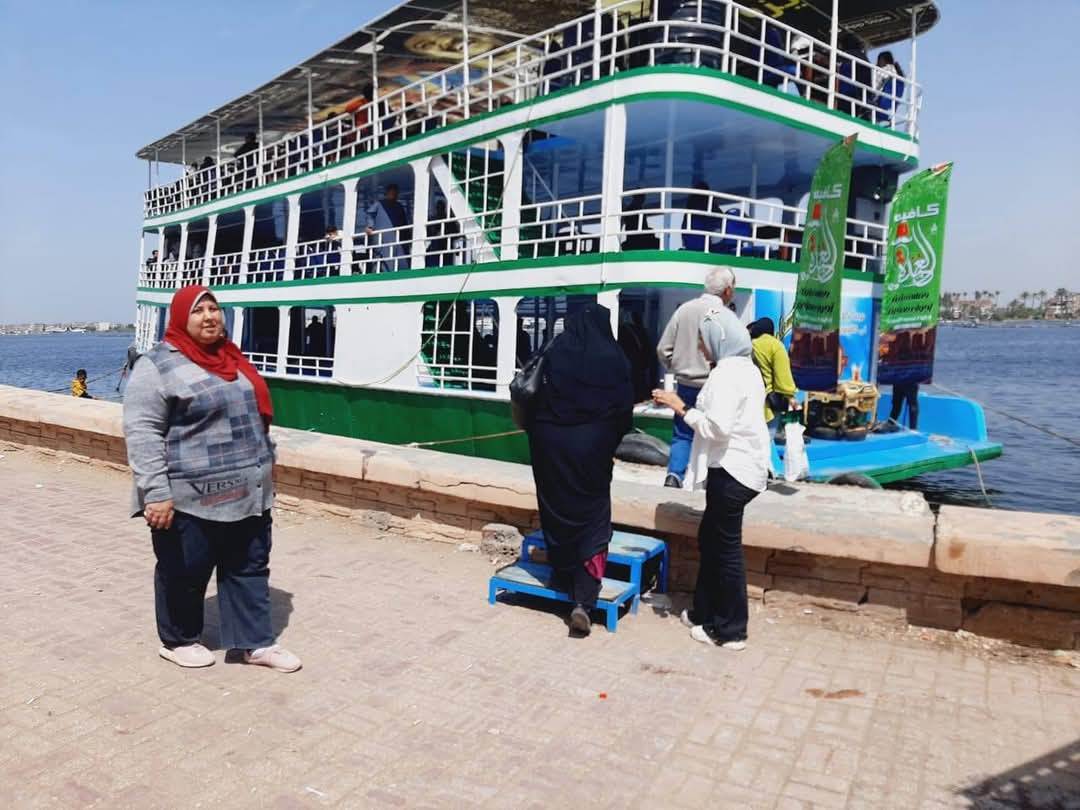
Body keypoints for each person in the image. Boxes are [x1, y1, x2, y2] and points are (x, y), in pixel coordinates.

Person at [123, 284, 300, 673]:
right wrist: (156, 493)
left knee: (249, 567)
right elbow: (142, 432)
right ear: (180, 318)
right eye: (198, 310)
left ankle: (254, 643)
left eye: (214, 308)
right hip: (189, 495)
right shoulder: (157, 366)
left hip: (248, 491)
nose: (209, 317)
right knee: (185, 570)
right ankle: (179, 639)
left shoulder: (231, 357)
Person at [652, 305, 769, 650]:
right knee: (711, 539)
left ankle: (731, 630)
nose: (701, 349)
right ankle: (704, 612)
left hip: (732, 470)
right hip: (740, 467)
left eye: (703, 341)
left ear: (720, 339)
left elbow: (717, 428)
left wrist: (679, 407)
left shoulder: (727, 374)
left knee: (725, 550)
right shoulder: (744, 368)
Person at [526, 304, 634, 636]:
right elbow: (624, 413)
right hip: (592, 444)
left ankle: (562, 576)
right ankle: (583, 601)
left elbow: (536, 394)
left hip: (548, 442)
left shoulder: (556, 350)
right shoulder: (613, 357)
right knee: (593, 517)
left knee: (556, 507)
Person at [656, 267, 735, 488]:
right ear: (728, 291)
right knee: (713, 433)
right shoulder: (726, 316)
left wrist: (676, 367)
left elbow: (663, 348)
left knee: (682, 434)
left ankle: (675, 475)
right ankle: (706, 480)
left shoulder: (684, 310)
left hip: (686, 383)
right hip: (714, 385)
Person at [748, 317, 797, 439]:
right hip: (767, 403)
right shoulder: (775, 346)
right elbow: (783, 377)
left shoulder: (748, 345)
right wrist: (790, 395)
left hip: (748, 400)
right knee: (766, 440)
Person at [365, 184, 411, 272]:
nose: (393, 195)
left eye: (395, 193)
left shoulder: (399, 207)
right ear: (386, 193)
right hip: (383, 239)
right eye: (391, 193)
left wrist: (408, 236)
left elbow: (404, 223)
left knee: (401, 260)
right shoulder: (379, 204)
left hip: (398, 240)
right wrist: (370, 226)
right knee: (382, 259)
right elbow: (370, 214)